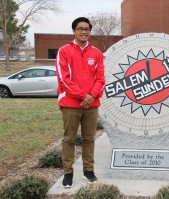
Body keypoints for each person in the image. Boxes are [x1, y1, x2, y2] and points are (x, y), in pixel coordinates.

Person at [56, 17, 105, 188]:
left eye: (87, 29)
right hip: (71, 104)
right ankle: (68, 173)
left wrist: (91, 95)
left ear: (90, 31)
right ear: (74, 31)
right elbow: (64, 79)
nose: (84, 31)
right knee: (69, 139)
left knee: (89, 139)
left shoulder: (97, 53)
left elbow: (100, 79)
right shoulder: (64, 51)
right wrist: (83, 96)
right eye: (80, 28)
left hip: (91, 105)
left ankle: (88, 171)